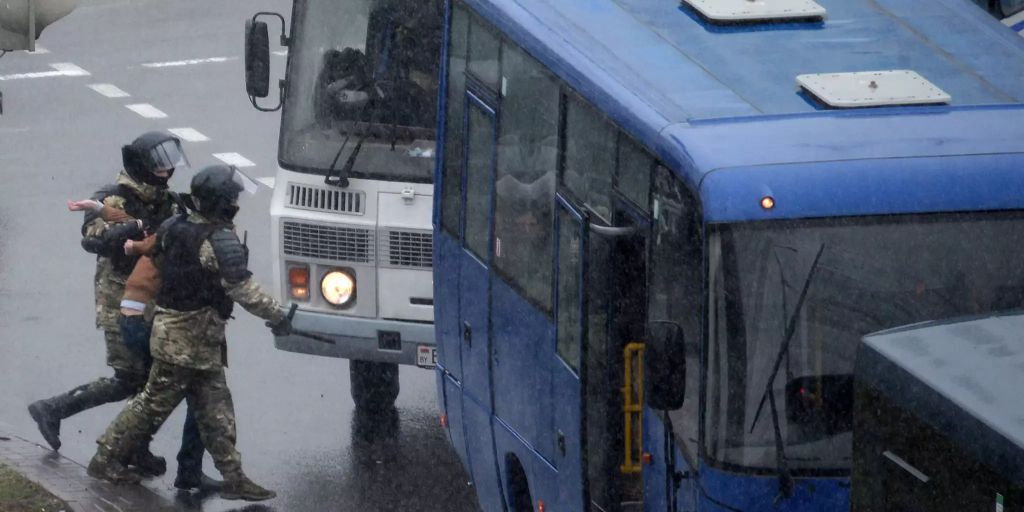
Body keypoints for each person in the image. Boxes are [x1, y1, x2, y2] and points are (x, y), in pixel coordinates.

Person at [88, 165, 291, 502]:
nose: (237, 204)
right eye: (233, 199)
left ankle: (234, 477)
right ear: (221, 203)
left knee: (216, 412)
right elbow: (243, 289)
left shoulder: (176, 226)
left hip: (190, 340)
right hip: (184, 344)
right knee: (151, 406)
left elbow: (153, 252)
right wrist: (279, 317)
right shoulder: (215, 240)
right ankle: (104, 459)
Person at [27, 131, 188, 478]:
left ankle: (134, 447)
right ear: (140, 164)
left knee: (150, 381)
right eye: (158, 165)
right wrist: (131, 227)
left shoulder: (168, 201)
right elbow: (93, 239)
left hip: (154, 302)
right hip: (120, 304)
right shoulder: (112, 198)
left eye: (168, 165)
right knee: (131, 379)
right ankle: (53, 409)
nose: (165, 172)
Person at [65, 198, 220, 491]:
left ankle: (174, 465)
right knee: (156, 396)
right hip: (146, 324)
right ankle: (111, 456)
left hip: (146, 322)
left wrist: (100, 208)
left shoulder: (178, 229)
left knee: (174, 394)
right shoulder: (185, 237)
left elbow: (138, 225)